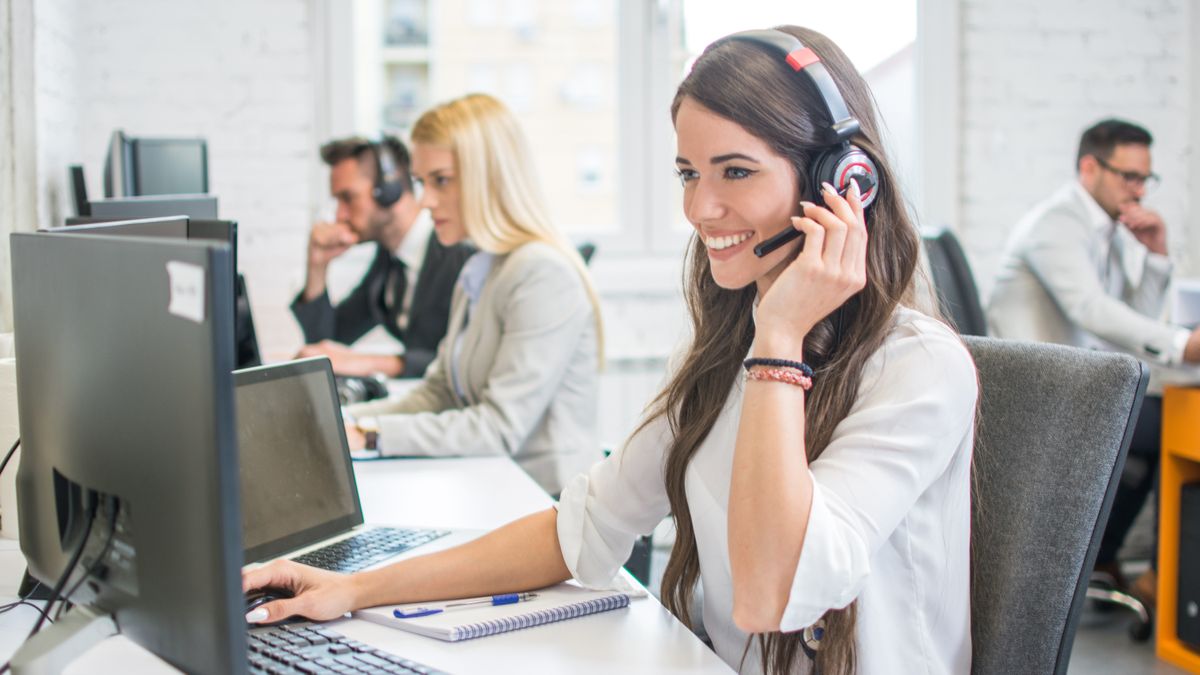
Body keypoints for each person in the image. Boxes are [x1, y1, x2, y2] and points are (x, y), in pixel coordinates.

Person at [247, 28, 977, 675]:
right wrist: (356, 587)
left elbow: (770, 596)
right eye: (689, 174)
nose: (699, 210)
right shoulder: (725, 347)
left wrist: (780, 343)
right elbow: (585, 525)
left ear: (842, 181)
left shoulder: (918, 368)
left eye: (736, 171)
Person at [340, 94, 604, 497]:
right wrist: (342, 420)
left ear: (489, 177)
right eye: (421, 182)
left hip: (551, 508)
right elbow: (440, 391)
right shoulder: (481, 268)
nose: (426, 201)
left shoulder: (541, 273)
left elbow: (498, 428)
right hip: (497, 492)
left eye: (441, 181)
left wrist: (370, 433)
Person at [988, 118, 1200, 609]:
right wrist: (1182, 344)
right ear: (1090, 167)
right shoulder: (1058, 223)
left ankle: (1104, 560)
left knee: (1160, 424)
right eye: (1129, 176)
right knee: (1170, 421)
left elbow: (1134, 321)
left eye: (1146, 178)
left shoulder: (1104, 228)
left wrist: (1157, 257)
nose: (1139, 190)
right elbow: (1092, 312)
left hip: (1074, 386)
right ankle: (1158, 576)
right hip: (1039, 395)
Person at [292, 135, 473, 378]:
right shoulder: (389, 262)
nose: (339, 215)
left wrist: (372, 363)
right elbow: (326, 344)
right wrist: (317, 265)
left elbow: (469, 361)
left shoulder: (460, 253)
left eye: (348, 198)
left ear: (389, 190)